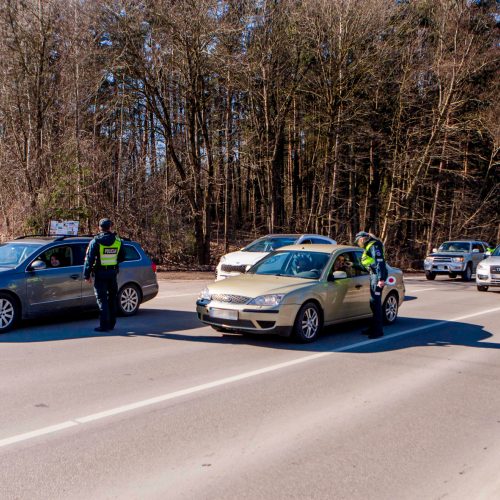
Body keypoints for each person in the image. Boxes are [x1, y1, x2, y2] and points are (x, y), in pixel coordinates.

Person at [84, 218, 125, 332]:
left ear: (100, 228)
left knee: (102, 300)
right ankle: (112, 324)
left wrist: (86, 275)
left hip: (100, 274)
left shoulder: (95, 241)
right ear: (110, 227)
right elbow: (122, 257)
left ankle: (104, 325)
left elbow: (89, 260)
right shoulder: (118, 241)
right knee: (112, 299)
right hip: (112, 274)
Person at [354, 231, 388, 339]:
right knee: (373, 303)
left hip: (377, 278)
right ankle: (373, 327)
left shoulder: (374, 245)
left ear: (362, 239)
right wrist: (353, 265)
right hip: (374, 276)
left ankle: (378, 331)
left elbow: (379, 262)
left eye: (358, 241)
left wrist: (381, 279)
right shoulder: (369, 246)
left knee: (376, 303)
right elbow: (369, 265)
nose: (358, 244)